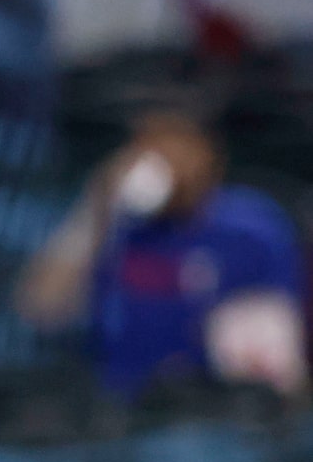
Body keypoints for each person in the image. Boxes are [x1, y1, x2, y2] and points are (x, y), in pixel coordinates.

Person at [17, 113, 307, 401]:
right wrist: (96, 210)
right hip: (125, 405)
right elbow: (41, 310)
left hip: (213, 405)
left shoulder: (249, 227)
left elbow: (281, 355)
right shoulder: (118, 224)